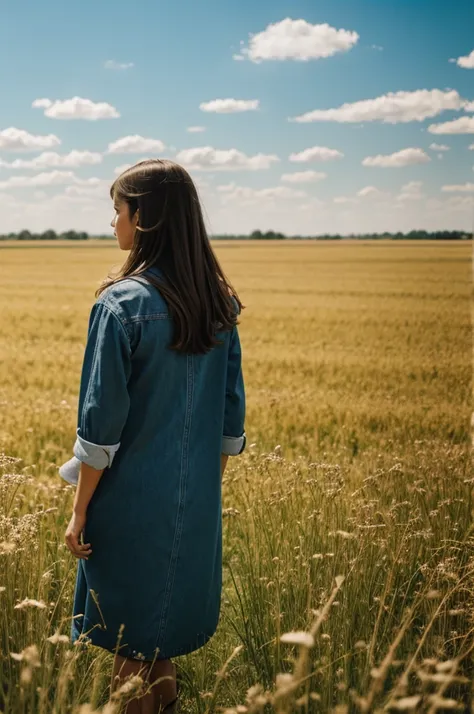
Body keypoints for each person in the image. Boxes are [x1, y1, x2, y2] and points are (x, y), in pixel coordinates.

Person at [58, 159, 247, 714]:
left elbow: (101, 427)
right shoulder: (219, 303)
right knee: (156, 644)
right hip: (193, 504)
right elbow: (229, 420)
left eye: (117, 209)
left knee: (127, 648)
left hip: (129, 504)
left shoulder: (120, 305)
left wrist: (79, 510)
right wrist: (202, 496)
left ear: (142, 218)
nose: (112, 222)